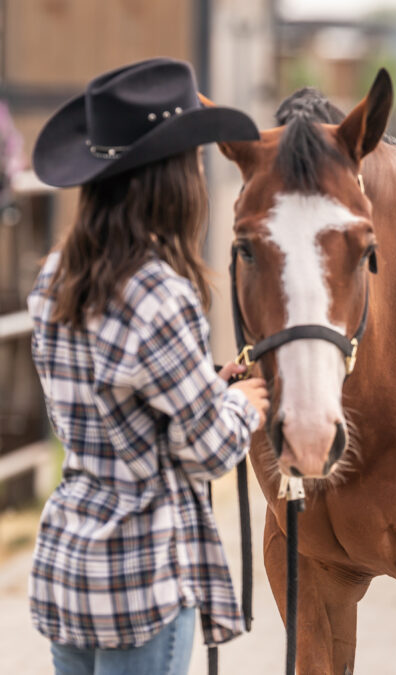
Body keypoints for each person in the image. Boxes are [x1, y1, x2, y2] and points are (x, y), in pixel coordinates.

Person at [27, 57, 269, 674]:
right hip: (141, 573)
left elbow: (101, 407)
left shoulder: (55, 279)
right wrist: (242, 406)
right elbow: (210, 450)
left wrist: (199, 386)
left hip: (71, 561)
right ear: (171, 180)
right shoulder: (161, 295)